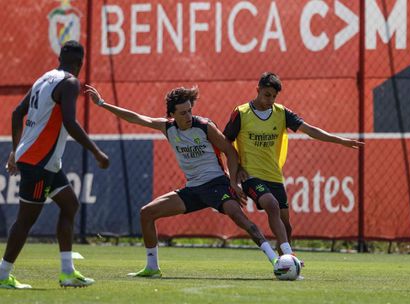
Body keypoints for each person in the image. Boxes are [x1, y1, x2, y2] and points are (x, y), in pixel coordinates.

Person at [84, 85, 279, 278]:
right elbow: (136, 118)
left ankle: (275, 260)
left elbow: (230, 152)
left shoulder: (204, 126)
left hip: (217, 184)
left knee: (240, 218)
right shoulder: (167, 127)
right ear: (172, 114)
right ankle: (152, 267)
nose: (188, 116)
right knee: (146, 213)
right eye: (183, 113)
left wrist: (234, 182)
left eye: (190, 111)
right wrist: (102, 104)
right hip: (193, 189)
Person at [0, 41, 110, 289]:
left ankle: (67, 273)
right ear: (81, 63)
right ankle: (3, 273)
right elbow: (70, 122)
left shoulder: (44, 79)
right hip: (40, 161)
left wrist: (14, 151)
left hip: (43, 160)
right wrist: (96, 151)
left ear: (60, 57)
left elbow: (17, 113)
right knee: (26, 221)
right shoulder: (70, 83)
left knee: (70, 204)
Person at [223, 72, 363, 258]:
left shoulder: (282, 113)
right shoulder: (241, 113)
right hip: (251, 176)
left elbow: (310, 130)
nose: (270, 100)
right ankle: (290, 257)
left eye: (274, 96)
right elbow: (226, 143)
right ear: (258, 90)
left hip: (273, 175)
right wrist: (236, 171)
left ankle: (284, 263)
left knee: (286, 224)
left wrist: (340, 140)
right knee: (271, 205)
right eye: (267, 95)